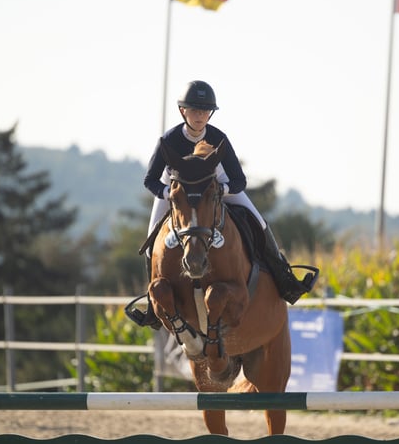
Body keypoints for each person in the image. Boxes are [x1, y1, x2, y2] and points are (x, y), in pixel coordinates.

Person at [130, 80, 317, 329]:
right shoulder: (170, 139)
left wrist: (223, 190)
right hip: (177, 194)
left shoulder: (219, 139)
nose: (199, 116)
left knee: (259, 222)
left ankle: (285, 279)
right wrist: (168, 193)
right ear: (182, 111)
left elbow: (239, 180)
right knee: (152, 237)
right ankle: (152, 305)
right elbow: (150, 180)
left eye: (205, 111)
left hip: (216, 189)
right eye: (194, 110)